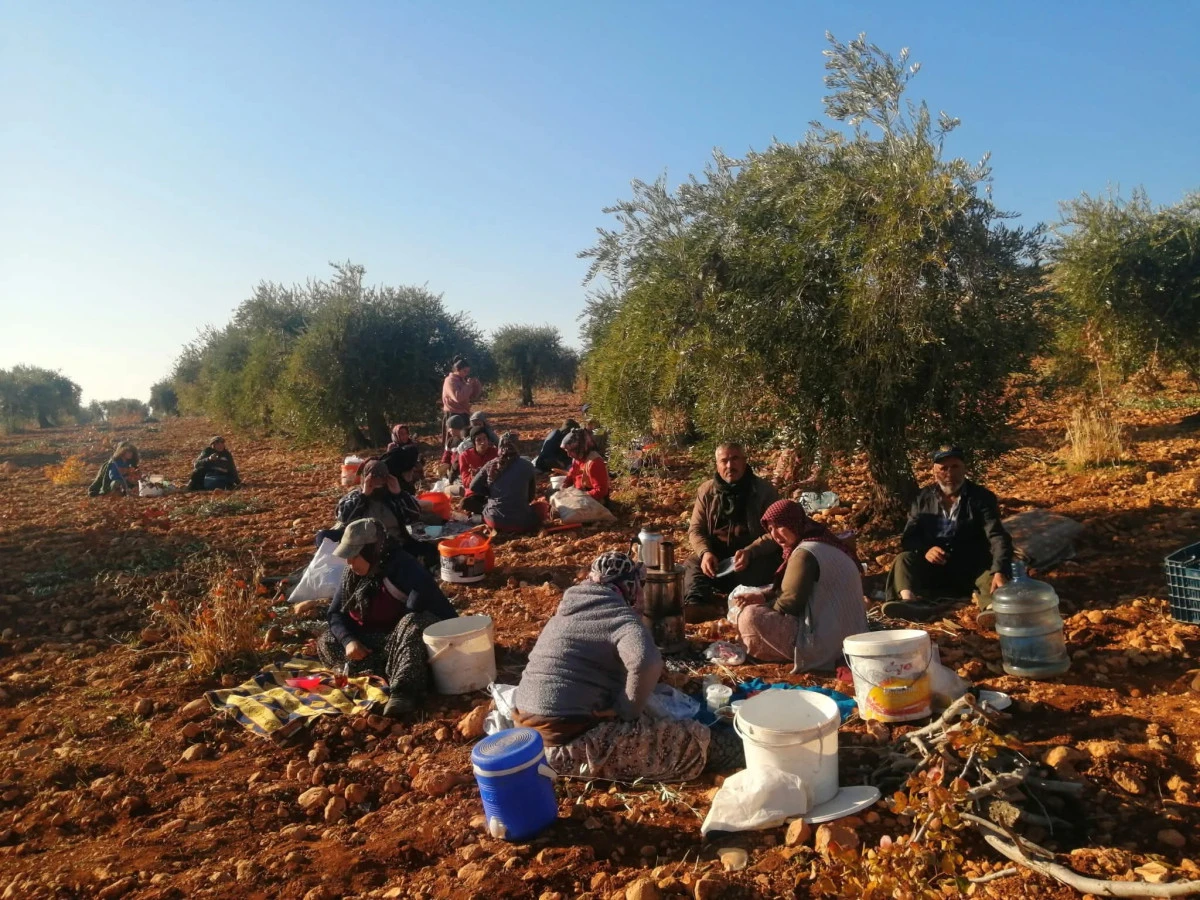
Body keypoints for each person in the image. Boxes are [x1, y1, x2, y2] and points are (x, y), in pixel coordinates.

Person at [513, 552, 715, 781]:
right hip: (563, 749)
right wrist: (626, 710)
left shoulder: (569, 608)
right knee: (694, 741)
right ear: (630, 587)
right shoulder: (618, 616)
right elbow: (647, 661)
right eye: (641, 585)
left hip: (523, 740)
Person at [316, 519, 458, 718]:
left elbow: (434, 615)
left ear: (371, 551)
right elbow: (335, 614)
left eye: (354, 555)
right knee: (327, 640)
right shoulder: (352, 575)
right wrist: (349, 641)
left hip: (402, 641)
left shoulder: (404, 568)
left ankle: (403, 691)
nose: (349, 562)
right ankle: (384, 672)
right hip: (372, 645)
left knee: (414, 623)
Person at [882, 446, 1014, 623]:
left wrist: (1000, 569)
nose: (949, 473)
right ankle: (909, 603)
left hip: (971, 567)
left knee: (990, 573)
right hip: (935, 569)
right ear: (934, 472)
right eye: (943, 468)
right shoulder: (923, 498)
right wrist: (927, 549)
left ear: (964, 468)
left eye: (955, 467)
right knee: (904, 559)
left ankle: (991, 610)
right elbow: (909, 538)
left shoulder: (981, 497)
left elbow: (997, 535)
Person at [732, 500, 867, 670]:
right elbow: (797, 589)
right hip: (855, 637)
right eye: (771, 529)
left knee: (749, 617)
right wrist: (763, 595)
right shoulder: (821, 541)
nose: (775, 534)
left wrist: (763, 606)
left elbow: (789, 604)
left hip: (829, 645)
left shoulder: (804, 554)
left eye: (780, 526)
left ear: (793, 522)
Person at [683, 442, 781, 622]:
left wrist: (751, 551)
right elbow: (696, 529)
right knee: (693, 563)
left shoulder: (764, 491)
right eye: (724, 461)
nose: (730, 465)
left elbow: (776, 533)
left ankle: (743, 599)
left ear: (744, 461)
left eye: (735, 459)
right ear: (717, 465)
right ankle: (698, 606)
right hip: (718, 561)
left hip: (750, 560)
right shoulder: (707, 491)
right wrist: (705, 553)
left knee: (770, 569)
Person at [332, 458, 436, 570]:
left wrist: (399, 494)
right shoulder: (355, 497)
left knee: (430, 551)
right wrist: (364, 495)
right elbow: (344, 518)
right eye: (374, 479)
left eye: (381, 479)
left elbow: (414, 514)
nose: (378, 484)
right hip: (365, 549)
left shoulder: (393, 497)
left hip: (396, 545)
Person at [468, 432, 548, 532]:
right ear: (517, 447)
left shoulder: (491, 464)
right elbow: (530, 497)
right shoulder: (527, 466)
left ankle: (480, 519)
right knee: (542, 507)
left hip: (494, 521)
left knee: (480, 504)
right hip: (522, 523)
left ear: (499, 447)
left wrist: (490, 493)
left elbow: (473, 486)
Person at [441, 357, 482, 463]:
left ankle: (464, 460)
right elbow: (458, 397)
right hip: (454, 414)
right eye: (465, 371)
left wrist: (476, 385)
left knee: (465, 439)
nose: (466, 374)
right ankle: (448, 463)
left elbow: (472, 396)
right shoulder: (450, 381)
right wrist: (468, 385)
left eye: (468, 372)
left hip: (464, 413)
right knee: (453, 441)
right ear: (457, 370)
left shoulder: (463, 381)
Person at [560, 428, 610, 503]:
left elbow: (601, 491)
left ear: (580, 448)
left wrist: (579, 496)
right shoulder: (578, 458)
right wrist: (566, 483)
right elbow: (573, 472)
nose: (568, 454)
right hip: (580, 493)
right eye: (567, 451)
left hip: (594, 499)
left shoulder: (594, 462)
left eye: (571, 451)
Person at [458, 426, 498, 498]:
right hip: (475, 491)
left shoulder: (495, 452)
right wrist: (473, 476)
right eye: (478, 440)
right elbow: (465, 482)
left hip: (494, 488)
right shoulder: (465, 456)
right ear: (474, 442)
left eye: (485, 438)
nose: (483, 442)